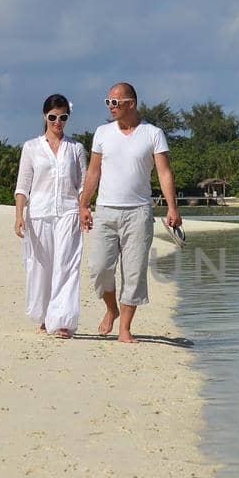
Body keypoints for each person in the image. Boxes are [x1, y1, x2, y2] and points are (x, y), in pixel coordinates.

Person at [78, 81, 182, 343]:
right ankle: (111, 308)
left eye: (115, 102)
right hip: (105, 210)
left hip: (139, 212)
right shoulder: (102, 132)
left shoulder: (153, 133)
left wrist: (172, 207)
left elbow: (164, 172)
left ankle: (125, 328)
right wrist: (84, 204)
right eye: (108, 102)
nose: (111, 107)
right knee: (99, 268)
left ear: (131, 104)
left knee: (134, 273)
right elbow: (93, 171)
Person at [14, 94, 87, 338]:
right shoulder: (31, 147)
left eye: (63, 117)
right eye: (53, 117)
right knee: (42, 267)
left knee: (67, 265)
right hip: (39, 214)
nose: (58, 122)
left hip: (69, 212)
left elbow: (83, 185)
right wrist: (19, 215)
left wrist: (84, 208)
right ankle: (46, 316)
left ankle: (62, 321)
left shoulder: (76, 148)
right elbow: (23, 185)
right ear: (45, 116)